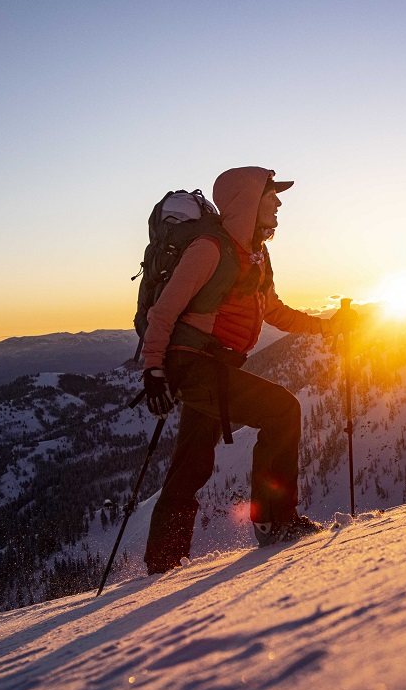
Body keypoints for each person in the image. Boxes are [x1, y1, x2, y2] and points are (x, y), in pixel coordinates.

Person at [139, 166, 356, 574]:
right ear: (247, 201)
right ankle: (275, 521)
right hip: (193, 364)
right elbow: (163, 312)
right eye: (271, 196)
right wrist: (153, 369)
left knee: (192, 463)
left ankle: (162, 561)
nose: (277, 204)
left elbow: (272, 310)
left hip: (214, 366)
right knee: (282, 410)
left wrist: (325, 327)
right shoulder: (210, 249)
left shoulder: (256, 255)